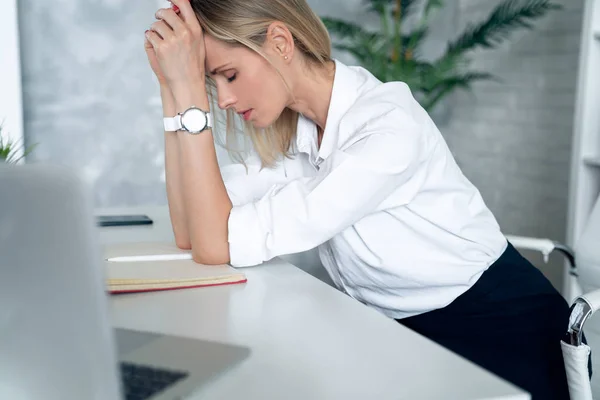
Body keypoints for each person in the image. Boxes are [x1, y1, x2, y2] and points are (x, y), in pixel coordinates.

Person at [143, 0, 571, 398]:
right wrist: (172, 87)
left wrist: (189, 94)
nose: (225, 99)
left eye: (229, 75)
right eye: (210, 83)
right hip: (406, 335)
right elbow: (192, 231)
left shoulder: (386, 128)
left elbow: (215, 245)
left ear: (279, 42)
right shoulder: (302, 133)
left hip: (506, 334)